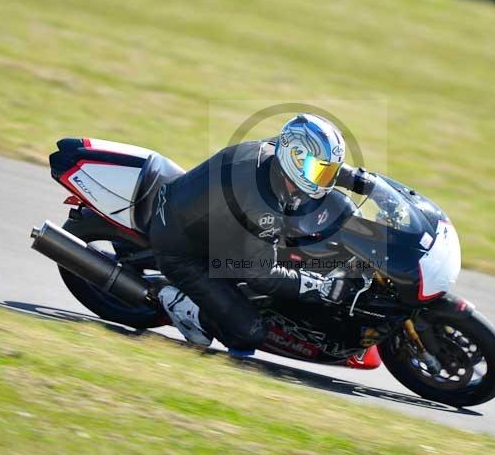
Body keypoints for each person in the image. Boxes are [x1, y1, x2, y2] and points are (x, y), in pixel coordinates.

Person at [149, 113, 366, 353]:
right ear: (295, 159)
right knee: (249, 334)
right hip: (184, 251)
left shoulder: (279, 153)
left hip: (210, 222)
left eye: (329, 172)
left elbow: (322, 163)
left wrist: (363, 181)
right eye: (320, 172)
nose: (326, 180)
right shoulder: (262, 205)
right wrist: (320, 286)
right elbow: (261, 275)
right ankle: (180, 304)